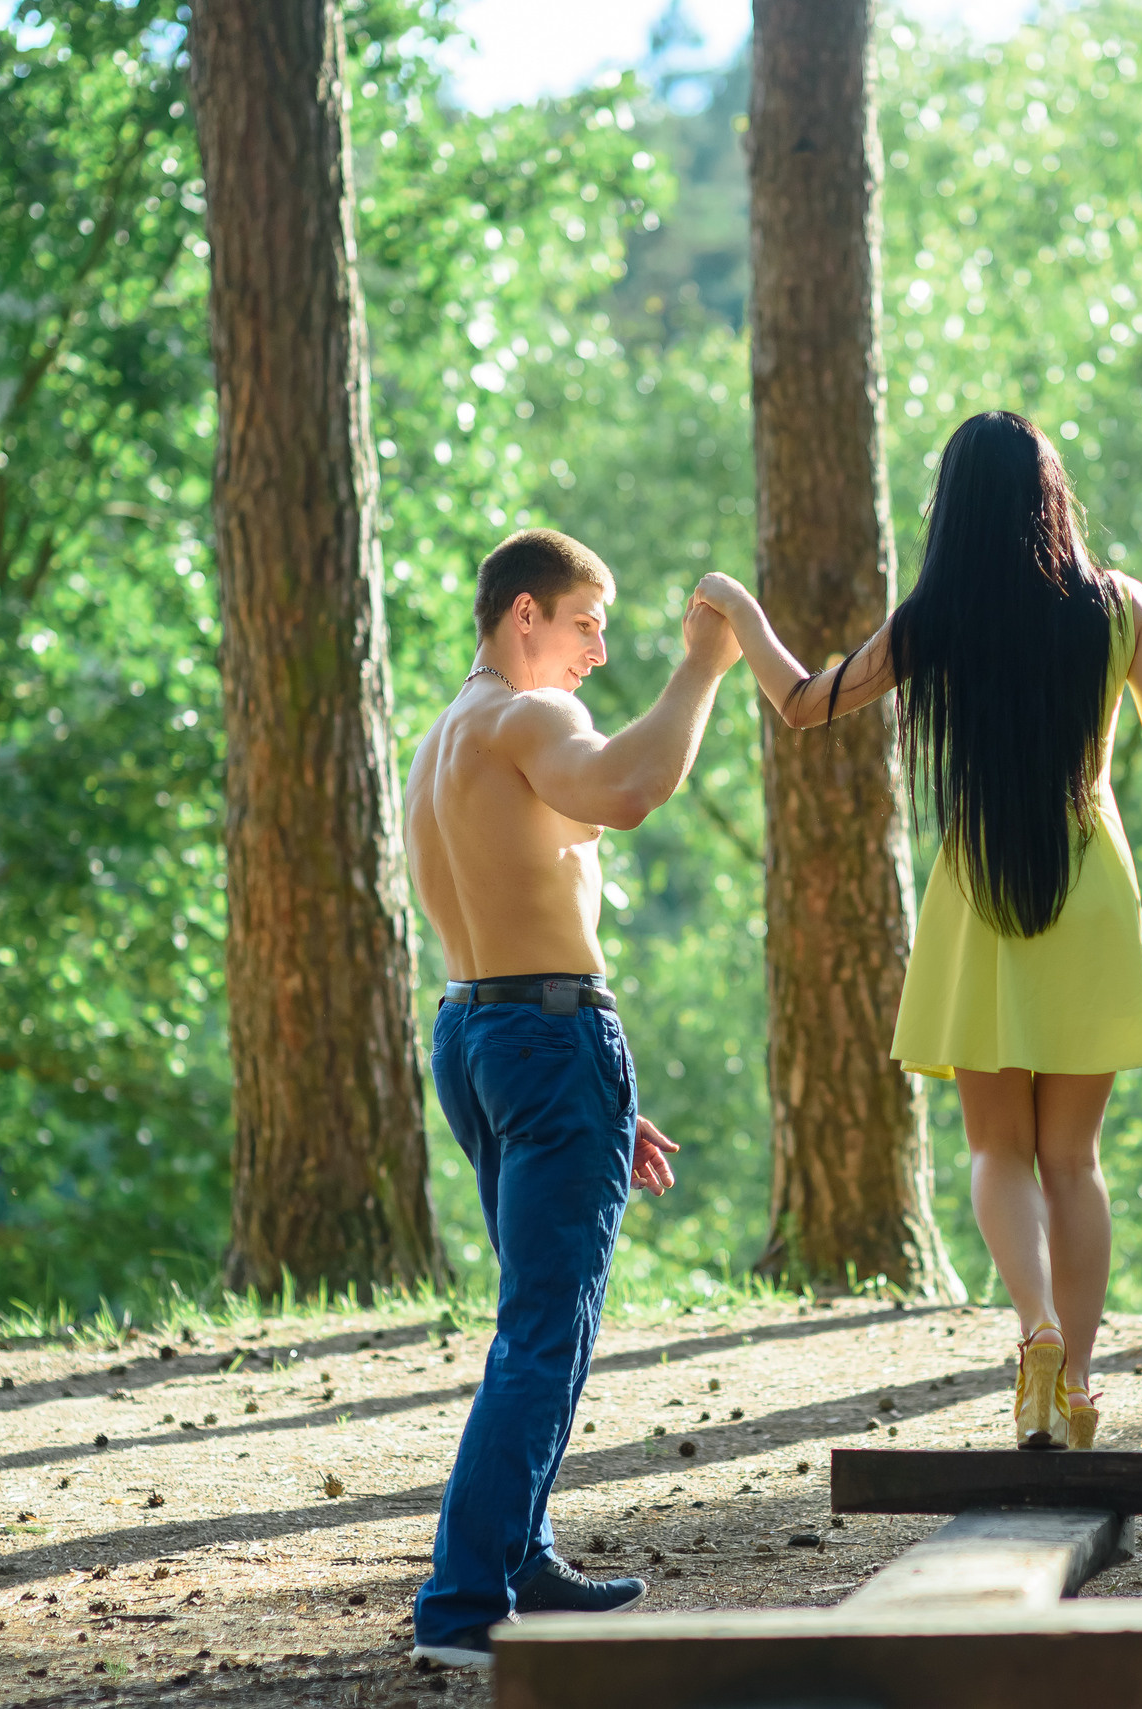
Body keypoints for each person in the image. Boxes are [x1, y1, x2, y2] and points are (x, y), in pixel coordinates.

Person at [693, 410, 1142, 1452]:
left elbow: (802, 703)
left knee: (997, 1148)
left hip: (980, 888)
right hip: (1092, 885)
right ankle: (1077, 1381)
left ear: (957, 511)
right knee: (1073, 1158)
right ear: (1050, 498)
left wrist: (736, 606)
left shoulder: (935, 618)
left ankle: (1034, 1329)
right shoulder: (1120, 606)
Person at [403, 528, 740, 1666]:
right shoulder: (528, 715)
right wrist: (706, 664)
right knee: (544, 1332)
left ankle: (524, 1560)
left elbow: (521, 887)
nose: (599, 649)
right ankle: (463, 1605)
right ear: (525, 614)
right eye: (586, 622)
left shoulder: (446, 736)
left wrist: (599, 1099)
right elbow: (634, 787)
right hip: (544, 1034)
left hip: (479, 1030)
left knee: (537, 1313)